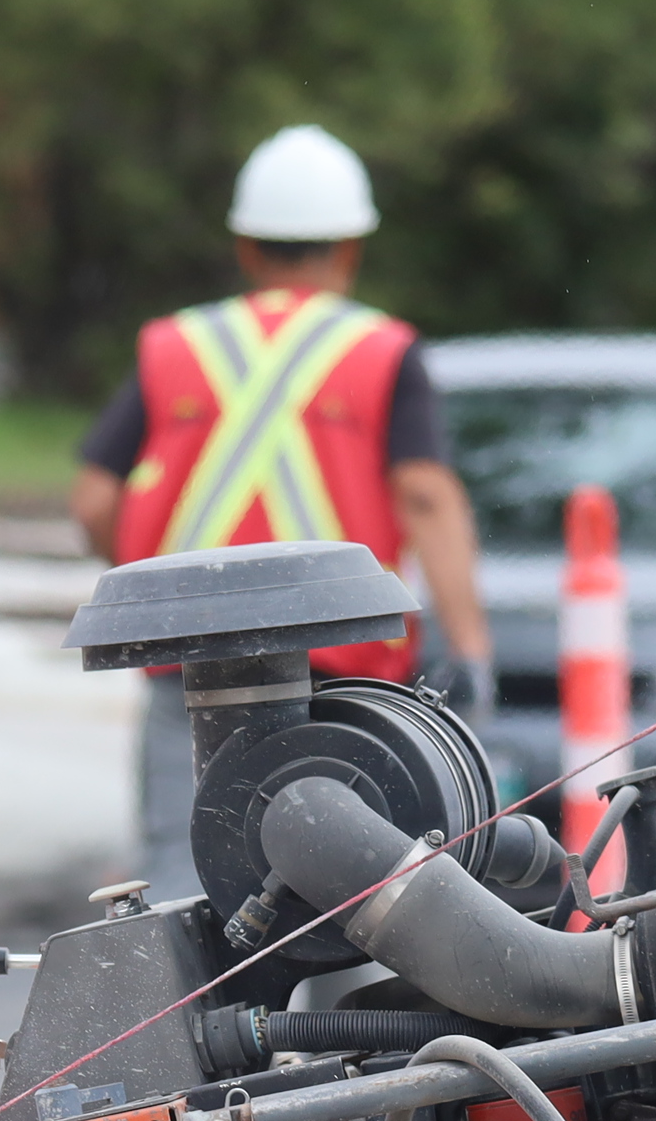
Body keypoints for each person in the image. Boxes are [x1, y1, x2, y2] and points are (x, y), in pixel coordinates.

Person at [67, 124, 492, 895]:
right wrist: (470, 649)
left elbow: (95, 497)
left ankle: (181, 1017)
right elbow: (426, 496)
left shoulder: (175, 346)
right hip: (339, 681)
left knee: (182, 888)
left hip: (188, 674)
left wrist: (143, 601)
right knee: (352, 899)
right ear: (351, 248)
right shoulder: (383, 350)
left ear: (246, 246)